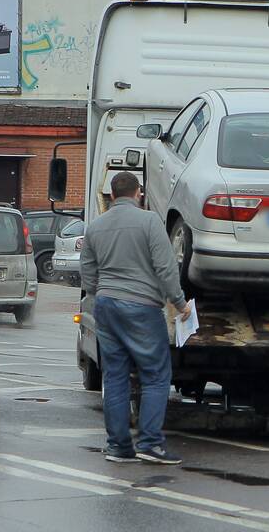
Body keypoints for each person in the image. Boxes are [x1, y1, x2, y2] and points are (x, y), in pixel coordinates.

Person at [79, 171, 192, 465]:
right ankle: (151, 443)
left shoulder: (96, 227)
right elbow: (166, 267)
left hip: (105, 305)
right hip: (141, 307)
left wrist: (101, 291)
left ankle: (118, 446)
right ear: (138, 193)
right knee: (155, 375)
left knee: (115, 376)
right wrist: (180, 304)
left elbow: (88, 275)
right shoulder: (150, 221)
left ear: (113, 196)